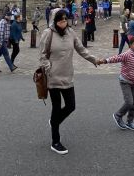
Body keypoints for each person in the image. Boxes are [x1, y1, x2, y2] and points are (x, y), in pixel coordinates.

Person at [39, 8, 100, 155]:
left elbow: (81, 49)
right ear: (54, 21)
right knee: (56, 107)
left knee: (71, 106)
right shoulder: (48, 34)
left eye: (65, 19)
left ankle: (54, 121)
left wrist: (94, 60)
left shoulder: (71, 33)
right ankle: (55, 141)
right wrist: (49, 68)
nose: (63, 22)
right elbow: (42, 56)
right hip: (53, 77)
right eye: (60, 20)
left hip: (67, 75)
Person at [99, 35, 134, 131]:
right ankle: (118, 115)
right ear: (130, 45)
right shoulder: (127, 55)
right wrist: (105, 61)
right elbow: (116, 58)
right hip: (125, 81)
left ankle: (130, 121)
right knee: (129, 102)